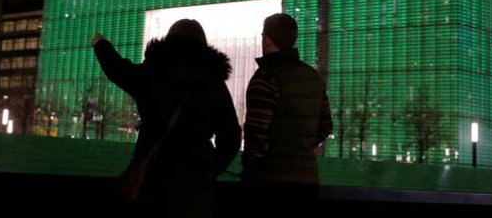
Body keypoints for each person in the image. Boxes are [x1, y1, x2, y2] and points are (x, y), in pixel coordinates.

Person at [92, 19, 240, 218]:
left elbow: (119, 70)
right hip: (195, 181)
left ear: (169, 41)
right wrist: (208, 169)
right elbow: (231, 138)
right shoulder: (214, 84)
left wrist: (101, 45)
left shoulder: (152, 74)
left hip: (154, 176)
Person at [242, 12, 332, 205]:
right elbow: (326, 126)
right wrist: (300, 149)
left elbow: (256, 134)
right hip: (307, 181)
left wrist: (251, 170)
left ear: (267, 39)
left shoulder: (266, 78)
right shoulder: (313, 77)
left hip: (271, 182)